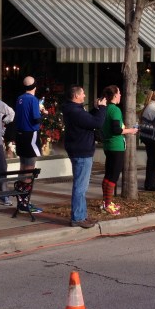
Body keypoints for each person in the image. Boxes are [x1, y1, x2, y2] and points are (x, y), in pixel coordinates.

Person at [60, 85, 107, 228]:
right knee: (80, 186)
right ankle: (78, 217)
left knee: (82, 186)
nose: (85, 96)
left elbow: (87, 119)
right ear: (76, 96)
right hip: (81, 152)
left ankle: (82, 215)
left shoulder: (73, 110)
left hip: (79, 150)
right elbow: (97, 122)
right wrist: (102, 108)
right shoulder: (75, 111)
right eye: (82, 94)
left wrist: (96, 109)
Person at [99, 85, 139, 215]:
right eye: (119, 93)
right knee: (113, 176)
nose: (121, 95)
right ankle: (108, 205)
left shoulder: (105, 108)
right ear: (115, 95)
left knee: (108, 175)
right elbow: (116, 129)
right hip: (116, 146)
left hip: (108, 145)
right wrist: (131, 130)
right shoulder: (115, 110)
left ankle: (106, 202)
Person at [14, 75, 44, 216]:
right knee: (29, 169)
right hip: (30, 134)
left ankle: (21, 201)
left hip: (20, 135)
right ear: (35, 87)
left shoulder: (19, 98)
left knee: (22, 167)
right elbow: (36, 118)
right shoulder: (33, 99)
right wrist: (43, 113)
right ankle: (24, 203)